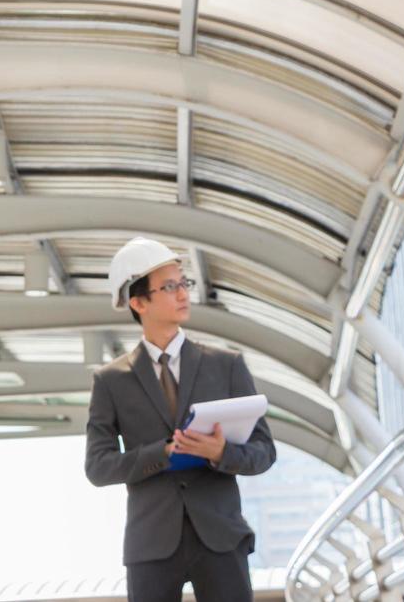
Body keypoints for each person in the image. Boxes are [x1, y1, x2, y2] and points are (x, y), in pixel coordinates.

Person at [85, 237, 275, 602]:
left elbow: (264, 452)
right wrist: (163, 453)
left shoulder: (227, 365)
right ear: (138, 302)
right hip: (150, 543)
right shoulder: (110, 381)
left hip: (220, 536)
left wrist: (221, 452)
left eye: (182, 283)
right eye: (169, 287)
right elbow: (97, 467)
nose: (182, 294)